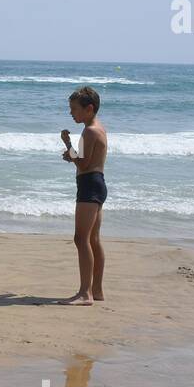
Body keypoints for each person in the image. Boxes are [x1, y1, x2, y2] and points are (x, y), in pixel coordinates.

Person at [61, 86, 107, 305]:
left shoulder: (90, 131)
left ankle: (84, 293)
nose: (71, 113)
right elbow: (85, 161)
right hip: (96, 184)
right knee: (93, 239)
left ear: (89, 109)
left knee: (81, 239)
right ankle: (96, 290)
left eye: (74, 109)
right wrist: (72, 154)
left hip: (89, 185)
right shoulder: (98, 128)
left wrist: (68, 146)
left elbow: (83, 163)